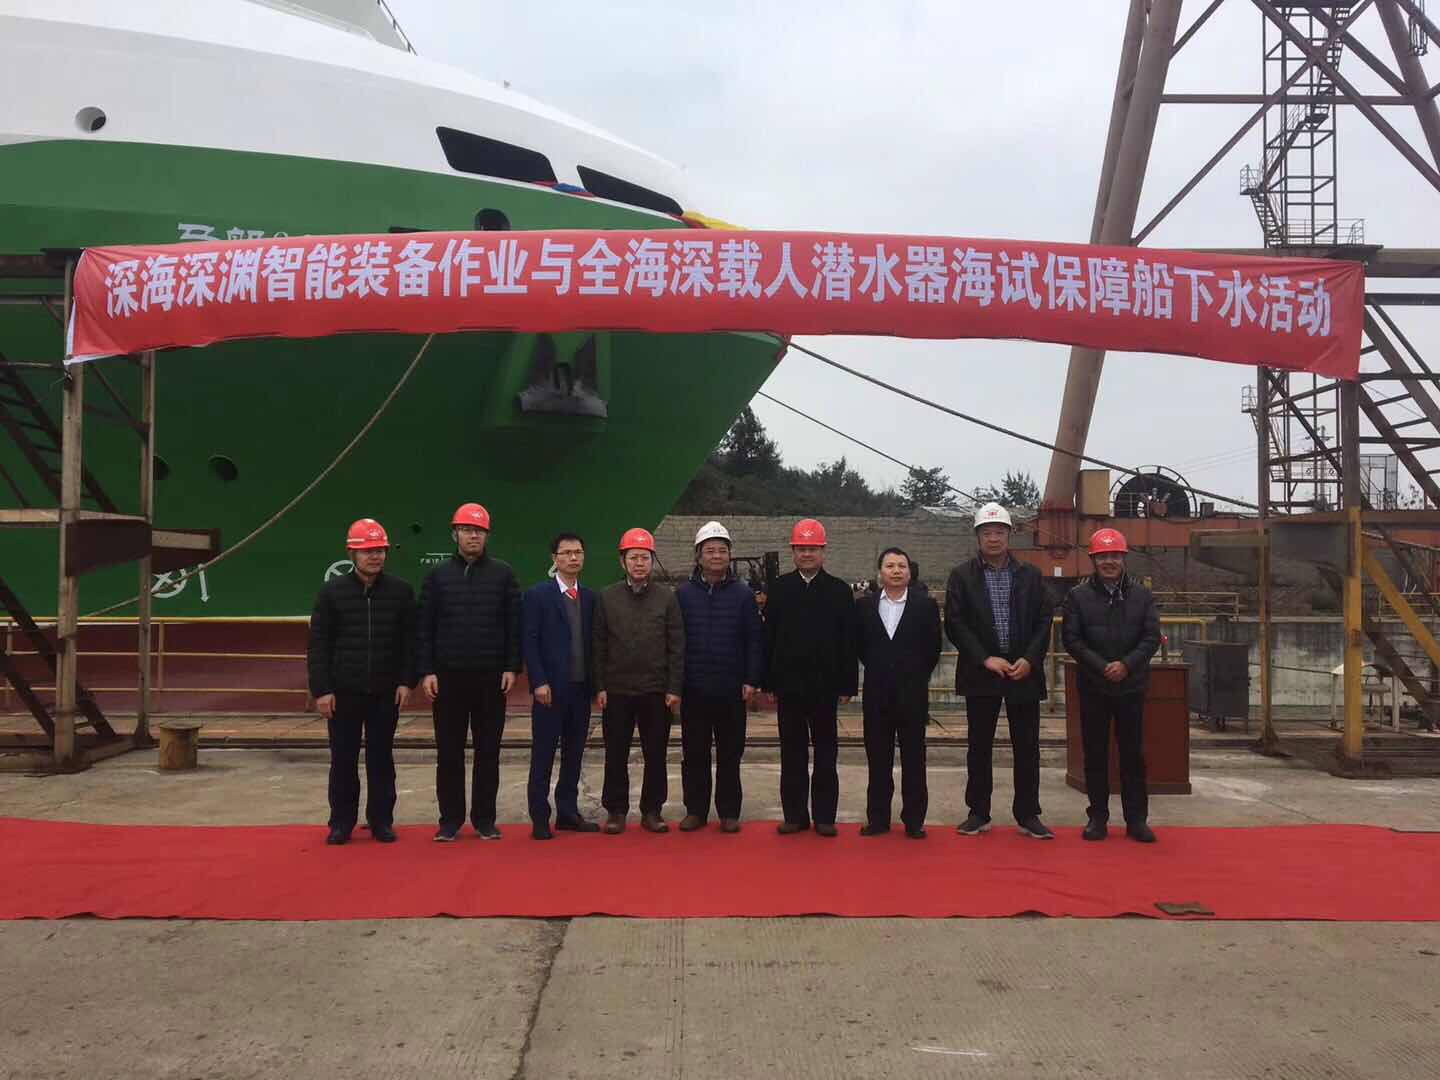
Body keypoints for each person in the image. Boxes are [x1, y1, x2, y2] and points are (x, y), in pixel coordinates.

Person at [943, 502, 1057, 840]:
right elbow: (955, 623)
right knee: (979, 745)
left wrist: (1030, 659)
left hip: (1023, 670)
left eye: (999, 532)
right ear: (977, 537)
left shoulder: (1030, 575)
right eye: (987, 532)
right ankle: (978, 812)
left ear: (1009, 535)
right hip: (982, 672)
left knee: (1027, 746)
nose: (993, 538)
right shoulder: (962, 576)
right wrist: (984, 659)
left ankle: (1028, 814)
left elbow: (1044, 620)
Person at [306, 518, 415, 845]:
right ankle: (341, 823)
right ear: (352, 554)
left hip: (385, 692)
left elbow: (410, 642)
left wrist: (406, 681)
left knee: (381, 759)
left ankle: (381, 821)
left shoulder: (400, 592)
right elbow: (318, 645)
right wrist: (322, 690)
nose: (375, 556)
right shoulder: (332, 593)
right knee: (343, 760)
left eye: (380, 550)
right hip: (343, 693)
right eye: (368, 551)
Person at [417, 502, 521, 842]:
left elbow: (513, 624)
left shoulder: (503, 574)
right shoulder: (438, 577)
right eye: (466, 530)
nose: (472, 536)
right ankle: (450, 820)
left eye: (478, 531)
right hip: (448, 680)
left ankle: (484, 820)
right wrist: (427, 670)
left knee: (488, 752)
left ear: (487, 535)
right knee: (449, 752)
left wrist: (511, 666)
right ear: (455, 534)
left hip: (490, 679)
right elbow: (424, 626)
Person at [1061, 527, 1162, 843]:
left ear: (1123, 558)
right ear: (1093, 559)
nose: (1109, 561)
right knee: (1095, 754)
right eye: (1103, 556)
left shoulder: (1142, 596)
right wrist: (1102, 666)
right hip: (1094, 686)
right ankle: (1097, 818)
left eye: (1115, 555)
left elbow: (1151, 637)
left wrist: (1126, 665)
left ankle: (1137, 820)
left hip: (1131, 687)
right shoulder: (1078, 597)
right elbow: (1072, 639)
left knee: (1133, 755)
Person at [762, 518, 857, 837]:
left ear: (823, 552)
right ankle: (795, 816)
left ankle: (825, 817)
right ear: (793, 552)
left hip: (825, 687)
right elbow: (769, 637)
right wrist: (768, 682)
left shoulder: (839, 591)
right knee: (792, 753)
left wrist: (847, 683)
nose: (806, 554)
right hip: (788, 687)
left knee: (826, 753)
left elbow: (848, 640)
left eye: (812, 548)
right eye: (801, 548)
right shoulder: (779, 589)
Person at [592, 527, 685, 834]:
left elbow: (676, 645)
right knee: (615, 753)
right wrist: (600, 686)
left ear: (652, 560)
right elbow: (599, 645)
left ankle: (652, 810)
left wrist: (674, 687)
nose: (639, 563)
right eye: (633, 558)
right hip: (617, 690)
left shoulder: (667, 598)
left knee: (655, 753)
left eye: (644, 558)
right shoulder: (607, 597)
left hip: (655, 691)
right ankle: (616, 811)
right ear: (623, 562)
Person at [675, 521, 764, 833]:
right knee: (694, 753)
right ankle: (695, 811)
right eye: (709, 550)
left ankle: (728, 812)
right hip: (694, 688)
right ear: (698, 556)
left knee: (730, 753)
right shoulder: (683, 595)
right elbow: (675, 642)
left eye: (721, 550)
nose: (716, 555)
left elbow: (754, 640)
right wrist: (676, 684)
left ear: (729, 555)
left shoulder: (743, 595)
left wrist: (751, 679)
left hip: (731, 689)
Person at [854, 548, 941, 838]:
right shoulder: (864, 606)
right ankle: (878, 819)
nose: (895, 571)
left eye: (901, 566)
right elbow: (860, 646)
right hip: (876, 694)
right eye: (889, 565)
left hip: (912, 695)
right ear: (880, 572)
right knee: (878, 759)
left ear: (909, 571)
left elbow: (932, 649)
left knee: (915, 759)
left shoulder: (925, 606)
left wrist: (912, 675)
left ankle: (914, 820)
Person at [521, 532, 599, 841]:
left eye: (578, 552)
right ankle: (540, 817)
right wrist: (538, 681)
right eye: (566, 553)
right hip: (549, 691)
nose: (573, 558)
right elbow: (530, 641)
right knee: (543, 755)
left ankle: (568, 813)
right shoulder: (538, 595)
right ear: (554, 558)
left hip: (580, 690)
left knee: (574, 755)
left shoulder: (590, 598)